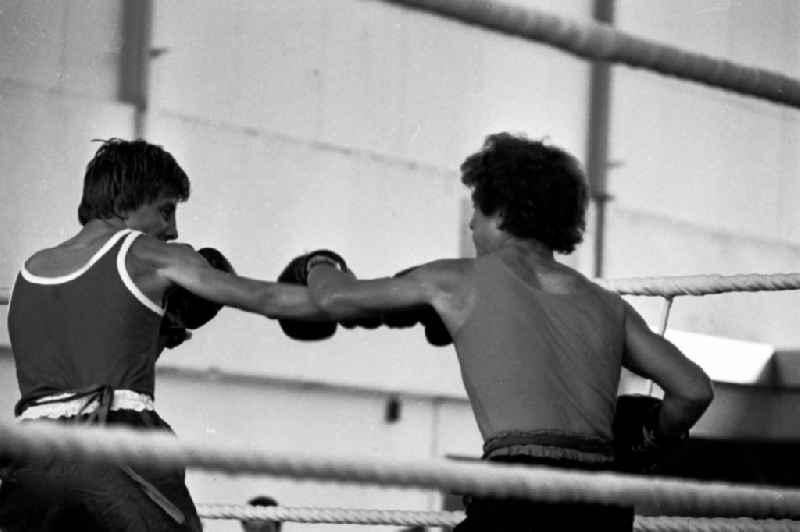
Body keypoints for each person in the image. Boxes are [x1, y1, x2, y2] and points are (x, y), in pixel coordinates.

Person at [297, 132, 715, 531]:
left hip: (520, 496)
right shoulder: (607, 304)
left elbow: (335, 299)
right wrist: (648, 439)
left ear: (500, 212)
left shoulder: (457, 280)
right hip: (600, 504)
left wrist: (319, 263)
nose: (471, 226)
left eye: (476, 212)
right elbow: (694, 389)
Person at [0, 138, 329, 532]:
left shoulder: (30, 270)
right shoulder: (144, 253)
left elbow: (89, 361)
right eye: (166, 210)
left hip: (32, 456)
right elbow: (267, 297)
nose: (173, 230)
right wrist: (330, 283)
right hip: (115, 445)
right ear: (124, 205)